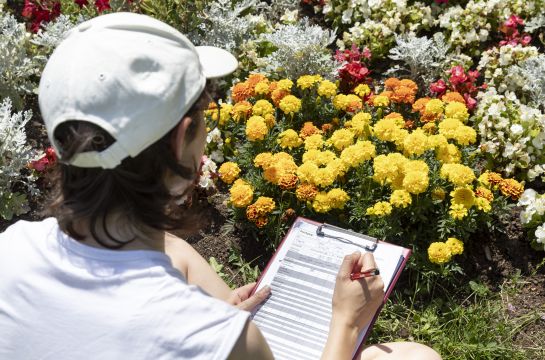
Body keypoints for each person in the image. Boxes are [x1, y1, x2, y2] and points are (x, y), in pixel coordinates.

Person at [0, 12, 441, 360]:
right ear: (181, 138)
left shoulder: (12, 249)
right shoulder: (217, 338)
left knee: (179, 253)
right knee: (412, 356)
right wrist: (345, 323)